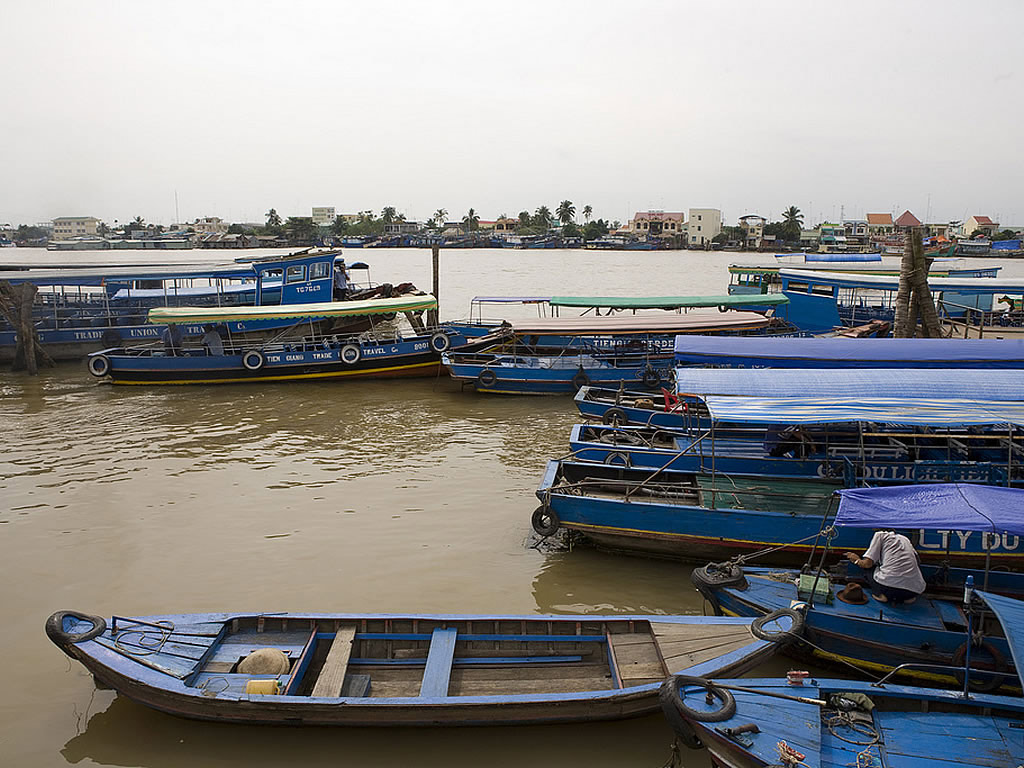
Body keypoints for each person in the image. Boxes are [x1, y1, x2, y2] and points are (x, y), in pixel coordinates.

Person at [844, 530, 926, 605]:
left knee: (868, 569)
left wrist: (857, 560)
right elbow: (917, 561)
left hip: (888, 587)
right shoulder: (905, 539)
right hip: (914, 591)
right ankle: (906, 599)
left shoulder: (880, 535)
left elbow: (867, 564)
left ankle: (880, 594)